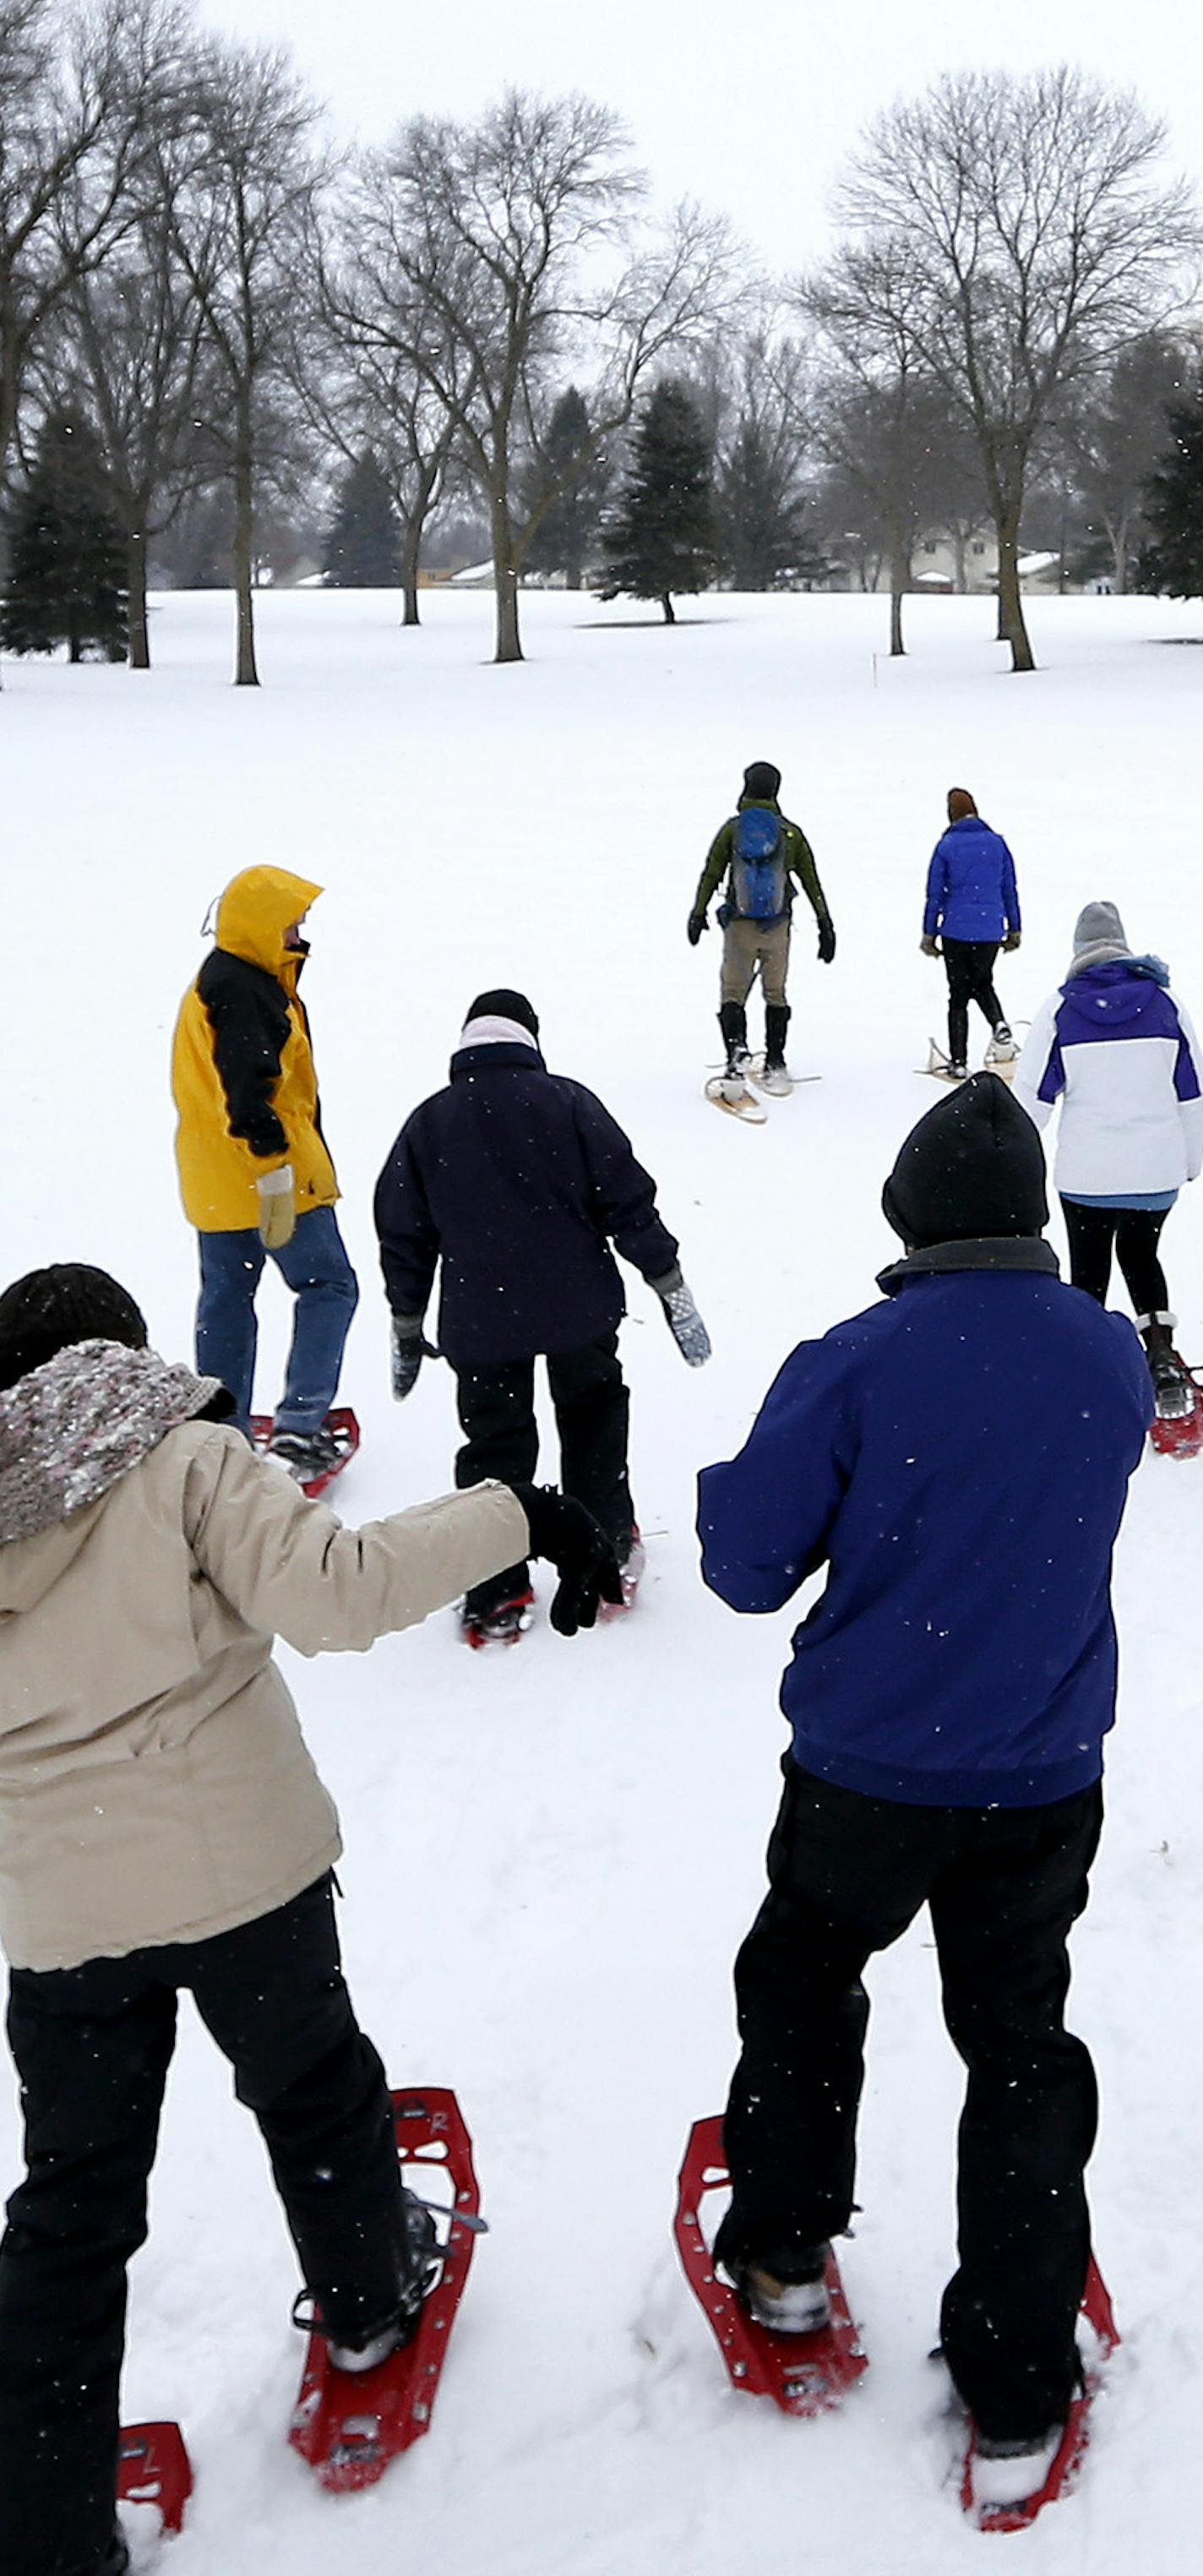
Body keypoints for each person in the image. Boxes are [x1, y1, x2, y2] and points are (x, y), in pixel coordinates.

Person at [0, 1261, 619, 2576]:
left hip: (62, 1915)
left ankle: (43, 2521)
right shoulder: (179, 1455)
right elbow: (337, 1594)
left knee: (73, 2204)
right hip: (241, 1871)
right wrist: (516, 1511)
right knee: (315, 2091)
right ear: (118, 1355)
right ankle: (368, 2303)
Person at [695, 1076, 1151, 2513]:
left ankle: (776, 2257)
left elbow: (742, 1561)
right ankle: (1016, 2387)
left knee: (801, 1980)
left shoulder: (858, 1355)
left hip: (863, 1769)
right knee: (1015, 2043)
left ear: (905, 1210)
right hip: (1035, 1769)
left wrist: (741, 1478)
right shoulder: (1104, 1354)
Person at [373, 989, 710, 1644]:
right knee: (592, 1422)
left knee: (495, 1446)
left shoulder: (429, 1122)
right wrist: (669, 1283)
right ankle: (607, 1551)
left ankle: (496, 1587)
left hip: (481, 1323)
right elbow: (628, 1201)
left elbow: (403, 1235)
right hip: (578, 1308)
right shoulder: (569, 1103)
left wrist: (407, 1324)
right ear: (529, 1038)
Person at [171, 865, 358, 1485]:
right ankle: (301, 1428)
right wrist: (273, 1167)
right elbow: (249, 1093)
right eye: (290, 921)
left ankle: (221, 1435)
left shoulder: (216, 980)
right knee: (328, 1286)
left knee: (227, 1295)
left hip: (213, 1179)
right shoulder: (249, 990)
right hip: (271, 1175)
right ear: (259, 925)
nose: (300, 931)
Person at [1015, 900, 1203, 1419]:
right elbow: (1192, 1091)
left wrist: (1016, 1164)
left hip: (1087, 1175)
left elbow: (1031, 1098)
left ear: (1078, 951)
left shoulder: (1060, 1008)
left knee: (1089, 1271)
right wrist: (1190, 1160)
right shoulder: (1166, 1003)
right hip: (1156, 1171)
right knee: (1142, 1254)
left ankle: (1086, 1371)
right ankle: (1161, 1356)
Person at [688, 760, 836, 1097]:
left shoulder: (733, 830)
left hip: (739, 926)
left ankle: (736, 1054)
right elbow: (811, 880)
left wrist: (698, 913)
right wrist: (825, 924)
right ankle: (776, 1061)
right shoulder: (790, 833)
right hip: (777, 926)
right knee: (775, 993)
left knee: (733, 993)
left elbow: (711, 872)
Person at [922, 787, 1021, 1079]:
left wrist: (929, 934)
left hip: (956, 931)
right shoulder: (997, 845)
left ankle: (959, 1062)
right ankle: (999, 1024)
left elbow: (934, 894)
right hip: (990, 929)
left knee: (958, 996)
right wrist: (1014, 928)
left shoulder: (946, 846)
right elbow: (1009, 889)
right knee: (983, 982)